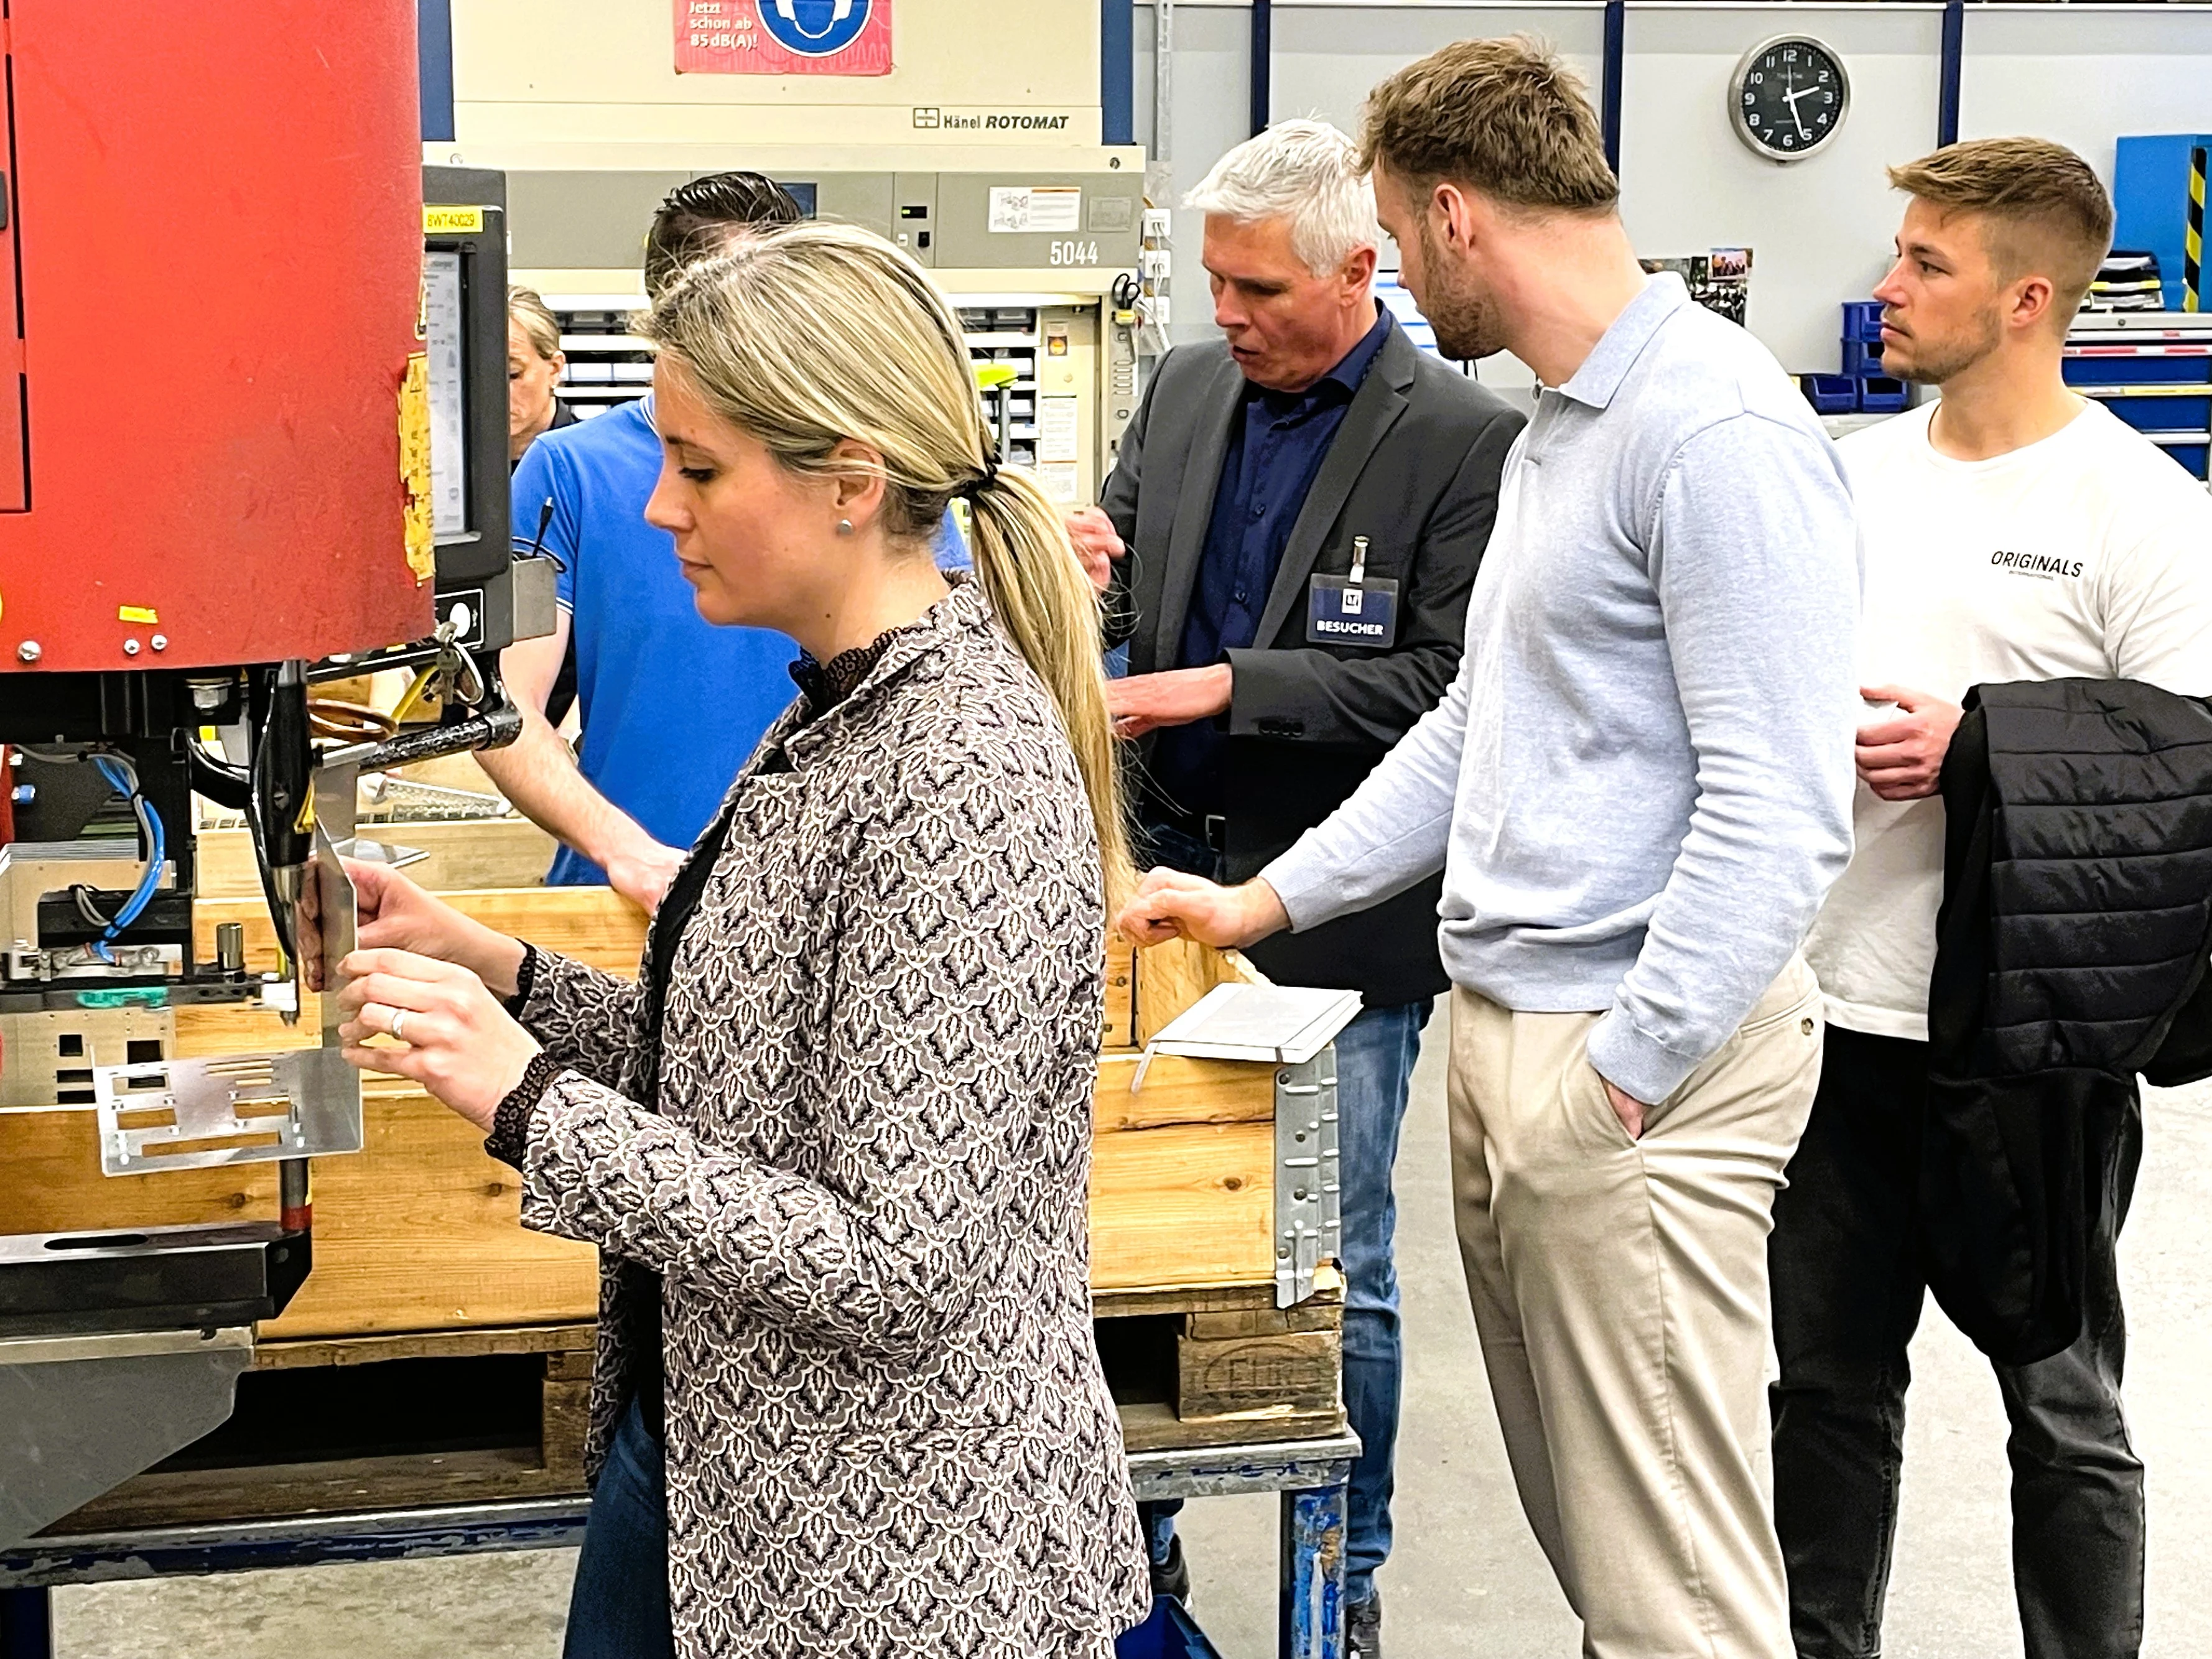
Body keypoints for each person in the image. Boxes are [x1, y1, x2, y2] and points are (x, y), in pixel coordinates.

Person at [1115, 39, 1860, 1658]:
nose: (1388, 287)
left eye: (1391, 233)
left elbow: (1781, 803)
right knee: (1610, 1562)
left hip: (1630, 1058)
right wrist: (1259, 896)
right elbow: (1473, 731)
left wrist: (1622, 1080)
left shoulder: (1709, 429)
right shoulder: (1560, 430)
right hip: (1520, 1029)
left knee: (1678, 1594)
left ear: (1452, 216)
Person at [332, 221, 1150, 1658]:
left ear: (851, 483)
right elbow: (750, 1072)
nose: (656, 511)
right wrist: (495, 971)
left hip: (890, 1549)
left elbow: (896, 1268)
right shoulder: (841, 712)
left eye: (698, 468)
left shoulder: (960, 778)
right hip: (716, 1469)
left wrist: (529, 1107)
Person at [1080, 118, 1521, 1654]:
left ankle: (1353, 1573)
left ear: (1361, 268)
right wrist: (1094, 559)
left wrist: (1225, 688)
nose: (1229, 315)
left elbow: (1445, 687)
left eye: (1260, 288)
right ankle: (1132, 1565)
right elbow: (1135, 558)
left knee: (1338, 1264)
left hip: (1339, 914)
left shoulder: (1466, 439)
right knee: (1134, 1232)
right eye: (1215, 283)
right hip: (1166, 869)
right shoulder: (1194, 385)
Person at [1773, 139, 2212, 1659]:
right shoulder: (1839, 479)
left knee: (2065, 1406)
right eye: (1896, 252)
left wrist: (1984, 749)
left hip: (2031, 1053)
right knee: (1825, 1389)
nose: (1885, 287)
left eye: (1925, 263)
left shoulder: (2141, 511)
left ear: (2028, 298)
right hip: (1828, 1025)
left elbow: (2188, 784)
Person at [488, 173, 971, 911]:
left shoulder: (861, 471)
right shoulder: (570, 471)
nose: (665, 510)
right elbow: (501, 707)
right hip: (630, 903)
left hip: (814, 904)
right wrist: (628, 851)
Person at [508, 286, 577, 468]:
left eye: (512, 374)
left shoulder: (590, 460)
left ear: (554, 369)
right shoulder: (443, 459)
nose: (491, 392)